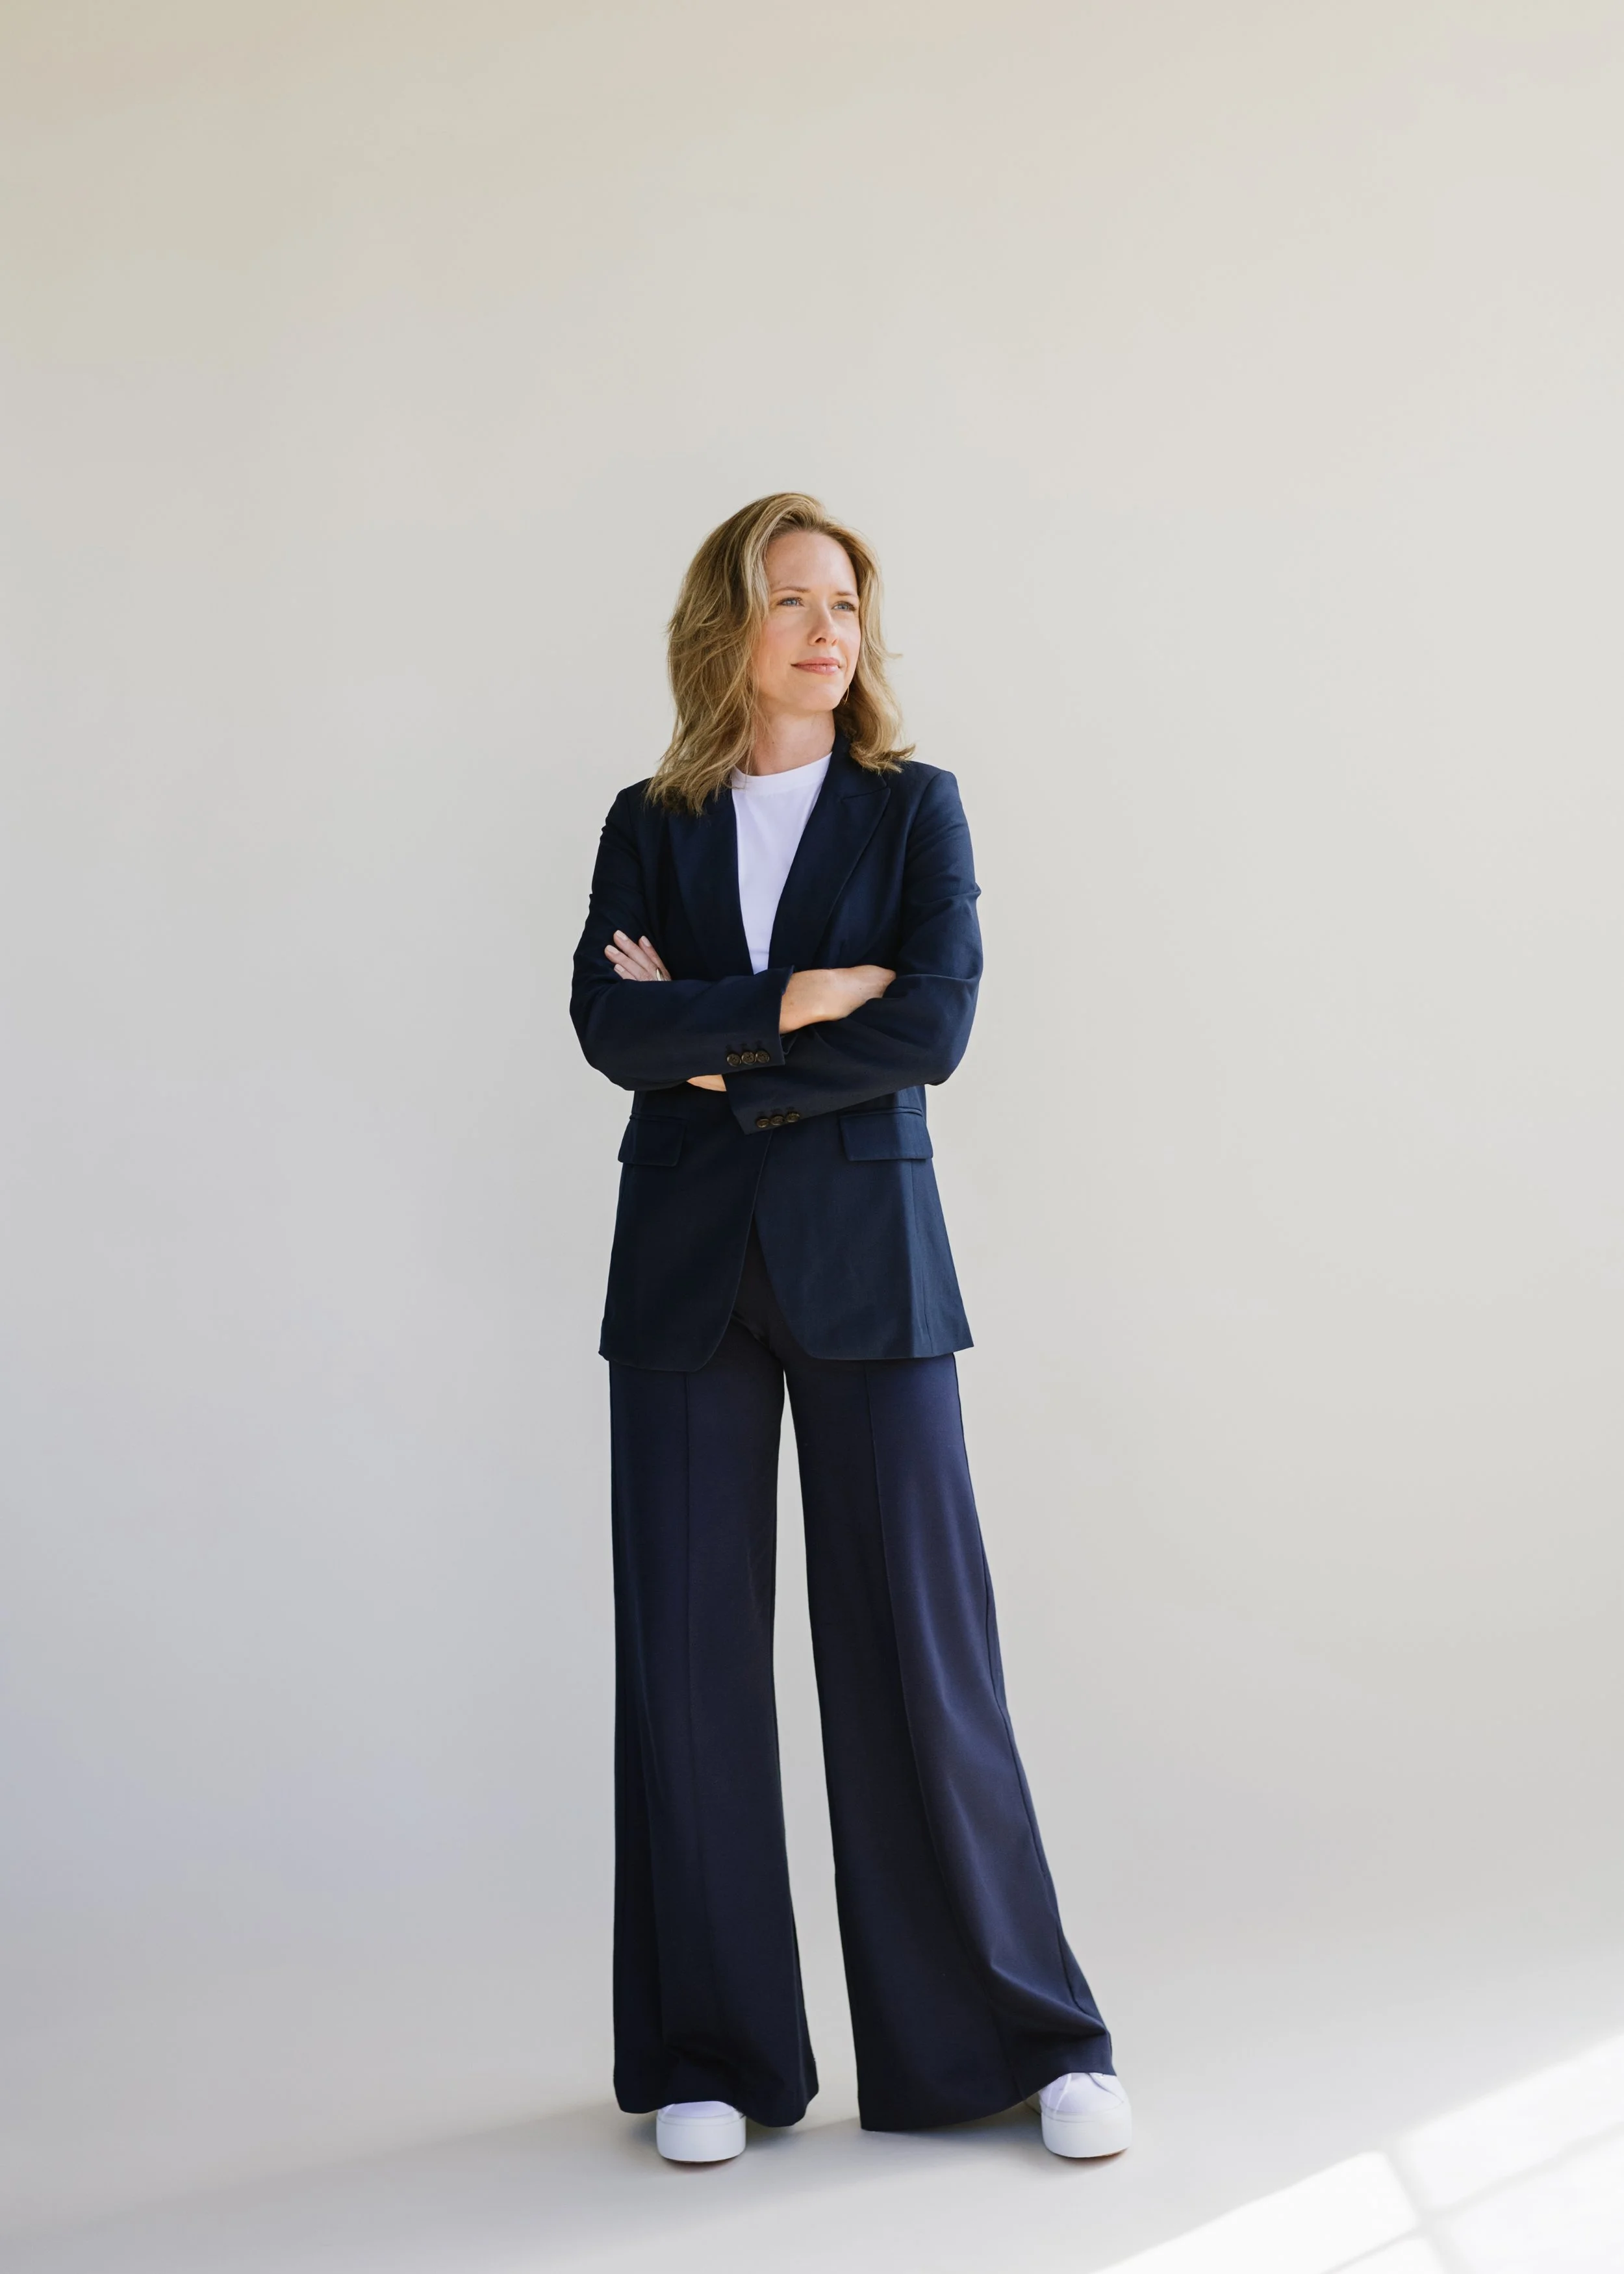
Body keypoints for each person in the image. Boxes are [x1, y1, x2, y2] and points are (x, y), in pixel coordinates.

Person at [569, 492, 1129, 2166]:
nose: (833, 632)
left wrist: (717, 1044)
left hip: (869, 1267)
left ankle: (1015, 2044)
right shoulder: (643, 820)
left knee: (917, 1649)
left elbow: (934, 1027)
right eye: (795, 601)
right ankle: (710, 2055)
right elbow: (609, 1022)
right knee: (688, 1665)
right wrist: (797, 1004)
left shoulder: (913, 809)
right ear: (724, 629)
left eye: (849, 604)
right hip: (682, 1284)